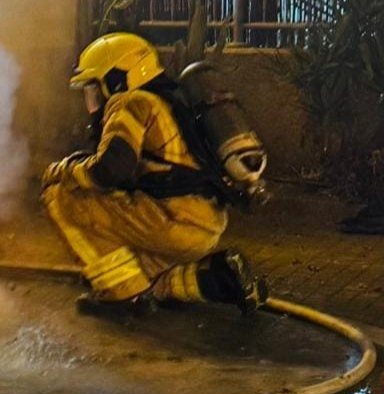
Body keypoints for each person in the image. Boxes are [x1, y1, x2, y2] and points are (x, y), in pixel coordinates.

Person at [41, 32, 267, 316]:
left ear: (117, 80)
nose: (92, 102)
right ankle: (219, 277)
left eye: (95, 90)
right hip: (206, 223)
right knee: (147, 277)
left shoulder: (131, 103)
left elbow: (109, 171)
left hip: (169, 219)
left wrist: (64, 170)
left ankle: (120, 296)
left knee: (61, 194)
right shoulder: (172, 101)